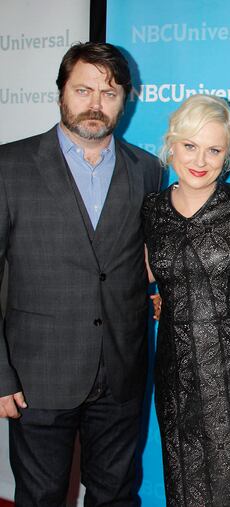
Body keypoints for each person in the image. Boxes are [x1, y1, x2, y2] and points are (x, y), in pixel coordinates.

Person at [0, 42, 162, 505]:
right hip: (37, 375)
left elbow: (140, 259)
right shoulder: (9, 166)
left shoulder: (147, 170)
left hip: (121, 372)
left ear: (125, 100)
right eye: (83, 90)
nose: (96, 104)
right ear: (61, 93)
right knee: (41, 497)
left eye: (109, 93)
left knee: (116, 495)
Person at [142, 94, 230, 506]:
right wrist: (165, 299)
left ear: (228, 155)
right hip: (177, 366)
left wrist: (222, 303)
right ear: (171, 145)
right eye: (190, 145)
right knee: (187, 476)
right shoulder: (151, 210)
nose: (200, 160)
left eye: (214, 150)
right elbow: (145, 273)